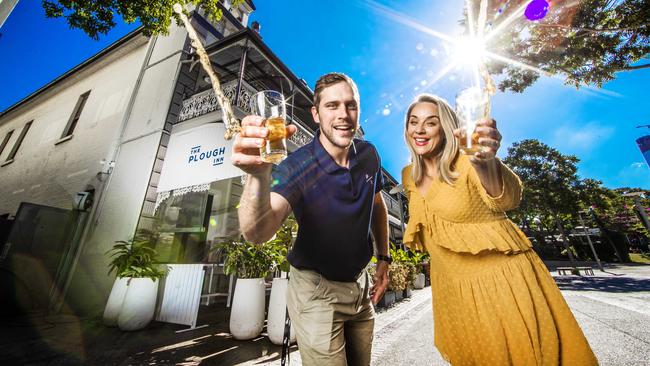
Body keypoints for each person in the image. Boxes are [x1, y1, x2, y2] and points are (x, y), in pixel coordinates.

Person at [400, 93, 598, 365]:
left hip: (502, 284)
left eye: (430, 123)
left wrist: (487, 162)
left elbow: (508, 198)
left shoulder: (467, 159)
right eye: (414, 122)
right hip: (452, 293)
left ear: (446, 128)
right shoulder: (409, 175)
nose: (419, 130)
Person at [233, 72, 390, 366]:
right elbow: (258, 232)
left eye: (351, 105)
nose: (343, 115)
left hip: (360, 287)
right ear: (316, 114)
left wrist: (384, 257)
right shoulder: (297, 165)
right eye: (332, 106)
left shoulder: (369, 154)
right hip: (317, 292)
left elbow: (377, 204)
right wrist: (258, 176)